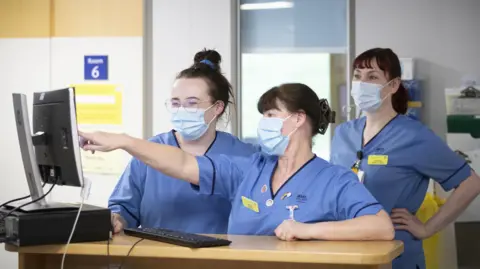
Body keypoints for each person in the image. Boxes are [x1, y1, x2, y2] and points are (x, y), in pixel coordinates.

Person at [80, 83, 395, 241]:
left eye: (271, 116)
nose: (264, 123)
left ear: (299, 119)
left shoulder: (334, 179)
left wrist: (309, 230)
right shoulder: (250, 167)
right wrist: (125, 141)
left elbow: (381, 226)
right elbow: (183, 164)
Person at [330, 48, 480, 269]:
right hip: (347, 252)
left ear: (392, 85)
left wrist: (428, 228)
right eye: (357, 76)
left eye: (372, 77)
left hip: (396, 255)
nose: (362, 84)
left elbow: (471, 183)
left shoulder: (414, 136)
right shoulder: (343, 134)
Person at [108, 49, 259, 234]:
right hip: (157, 257)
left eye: (192, 103)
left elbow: (260, 214)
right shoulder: (149, 152)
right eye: (175, 103)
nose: (181, 110)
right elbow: (123, 209)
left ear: (218, 107)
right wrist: (117, 219)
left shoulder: (243, 155)